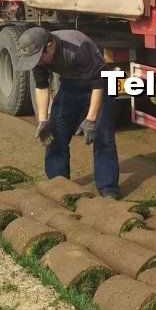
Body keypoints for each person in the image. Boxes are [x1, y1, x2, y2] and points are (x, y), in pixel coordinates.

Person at [15, 27, 119, 199]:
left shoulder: (77, 48)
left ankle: (108, 189)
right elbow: (42, 86)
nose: (37, 63)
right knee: (54, 134)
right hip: (71, 86)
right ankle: (58, 184)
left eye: (39, 58)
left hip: (102, 85)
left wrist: (91, 119)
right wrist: (43, 120)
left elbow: (98, 85)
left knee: (103, 137)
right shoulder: (38, 56)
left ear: (50, 46)